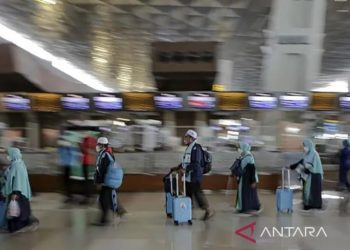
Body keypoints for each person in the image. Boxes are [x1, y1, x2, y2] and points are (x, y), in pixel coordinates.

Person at [171, 130, 214, 220]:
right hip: (188, 176)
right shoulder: (189, 147)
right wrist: (178, 167)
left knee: (198, 194)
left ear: (191, 138)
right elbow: (186, 162)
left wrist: (185, 169)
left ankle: (208, 210)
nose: (185, 139)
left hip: (195, 176)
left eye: (186, 137)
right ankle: (188, 213)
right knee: (188, 194)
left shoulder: (196, 148)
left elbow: (196, 163)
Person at [1, 148, 38, 233]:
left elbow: (17, 180)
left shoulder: (17, 166)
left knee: (17, 211)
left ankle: (18, 226)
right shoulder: (18, 164)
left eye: (9, 154)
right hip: (20, 192)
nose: (8, 156)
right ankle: (21, 224)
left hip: (17, 192)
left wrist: (15, 193)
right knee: (19, 210)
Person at [93, 137, 125, 225]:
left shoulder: (104, 155)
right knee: (107, 199)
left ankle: (104, 220)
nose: (97, 146)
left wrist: (98, 182)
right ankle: (119, 211)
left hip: (107, 181)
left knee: (103, 200)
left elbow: (101, 170)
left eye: (98, 144)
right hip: (109, 181)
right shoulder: (108, 153)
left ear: (102, 145)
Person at [289, 139, 323, 210]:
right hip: (308, 175)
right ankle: (307, 205)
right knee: (307, 191)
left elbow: (313, 166)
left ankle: (314, 205)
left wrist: (304, 169)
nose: (304, 148)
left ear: (309, 146)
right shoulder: (307, 155)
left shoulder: (314, 154)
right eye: (304, 146)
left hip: (315, 176)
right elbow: (301, 162)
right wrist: (290, 167)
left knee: (312, 191)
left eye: (305, 146)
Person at [235, 142, 261, 214]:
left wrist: (253, 181)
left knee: (248, 193)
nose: (238, 149)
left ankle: (246, 207)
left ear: (244, 148)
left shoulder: (249, 156)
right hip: (244, 178)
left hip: (248, 179)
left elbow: (252, 169)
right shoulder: (243, 155)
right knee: (245, 193)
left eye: (240, 147)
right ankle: (243, 207)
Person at [80, 132, 97, 204]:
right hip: (92, 162)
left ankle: (87, 198)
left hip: (86, 162)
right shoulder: (94, 139)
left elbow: (82, 149)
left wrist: (86, 150)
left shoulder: (84, 139)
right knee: (92, 180)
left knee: (86, 180)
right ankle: (92, 195)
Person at [57, 134, 74, 203]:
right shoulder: (64, 148)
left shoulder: (67, 148)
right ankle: (68, 195)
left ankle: (69, 195)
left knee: (67, 181)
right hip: (65, 166)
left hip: (67, 166)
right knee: (66, 181)